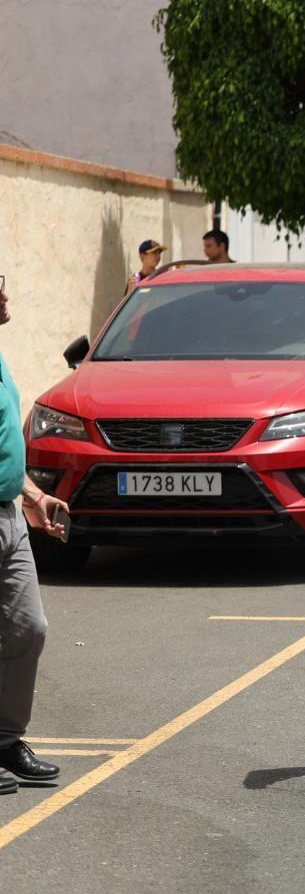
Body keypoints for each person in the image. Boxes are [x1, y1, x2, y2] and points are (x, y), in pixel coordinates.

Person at [0, 275, 69, 795]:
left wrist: (33, 496)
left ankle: (4, 740)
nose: (6, 294)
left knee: (29, 628)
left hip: (10, 516)